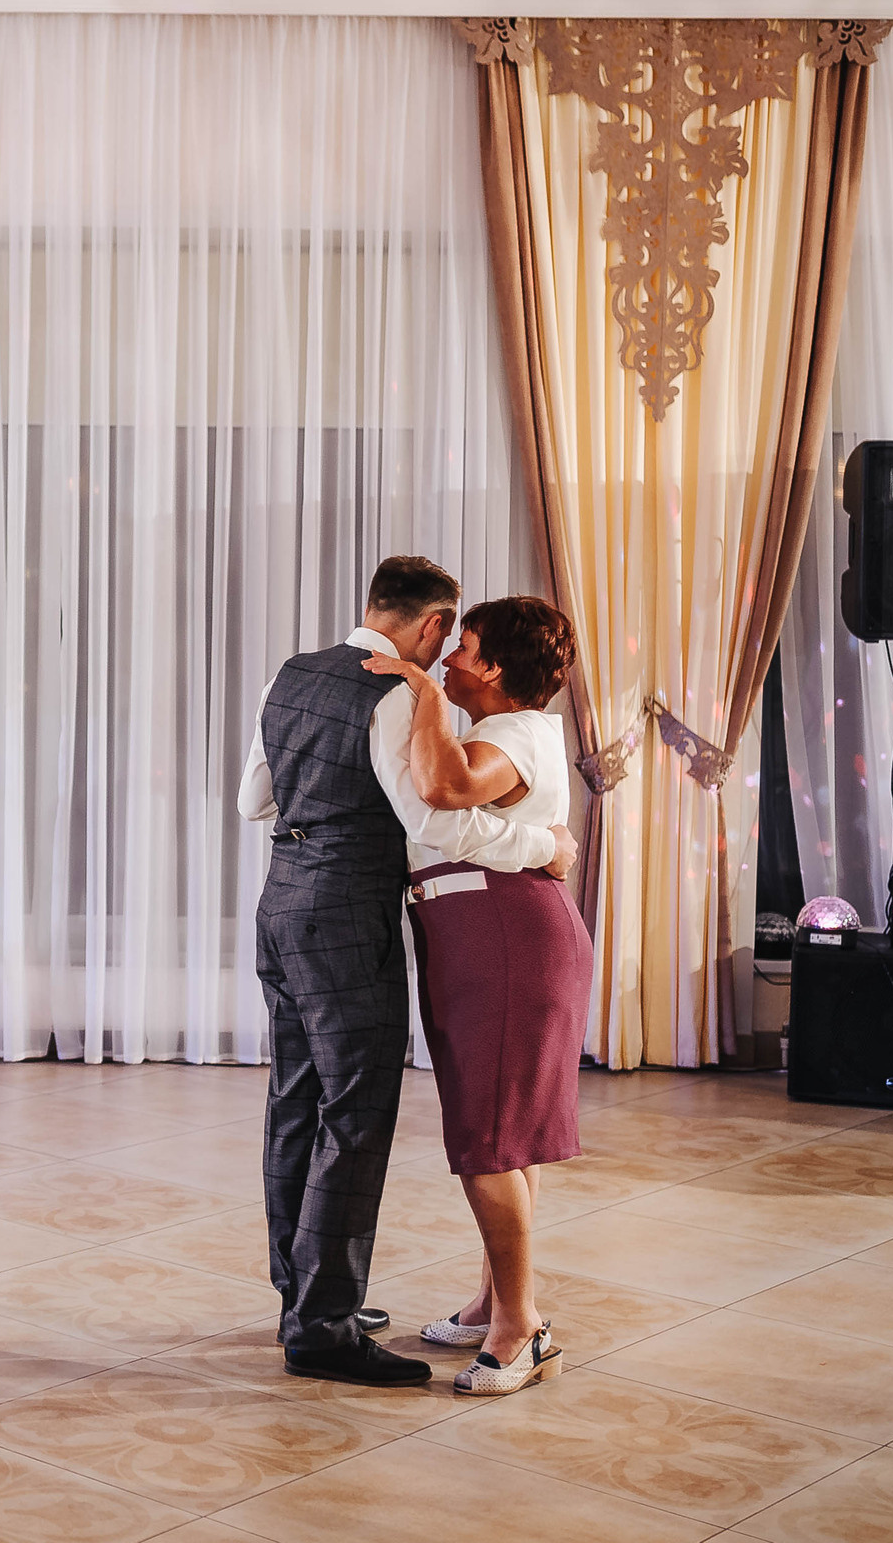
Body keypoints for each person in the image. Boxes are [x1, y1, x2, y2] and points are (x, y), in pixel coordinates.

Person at [236, 556, 577, 1388]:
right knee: (354, 1117)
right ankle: (323, 1325)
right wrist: (548, 846)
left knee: (295, 1105)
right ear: (431, 627)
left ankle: (303, 1296)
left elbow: (256, 801)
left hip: (282, 906)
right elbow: (436, 815)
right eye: (449, 637)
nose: (449, 653)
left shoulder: (295, 673)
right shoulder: (394, 693)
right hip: (349, 921)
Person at [364, 594, 593, 1397]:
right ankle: (497, 1300)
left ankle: (520, 1329)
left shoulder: (513, 733)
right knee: (507, 1136)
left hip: (506, 935)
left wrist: (420, 694)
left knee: (489, 1140)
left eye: (463, 647)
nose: (449, 657)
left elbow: (448, 789)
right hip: (492, 932)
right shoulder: (505, 729)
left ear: (496, 667)